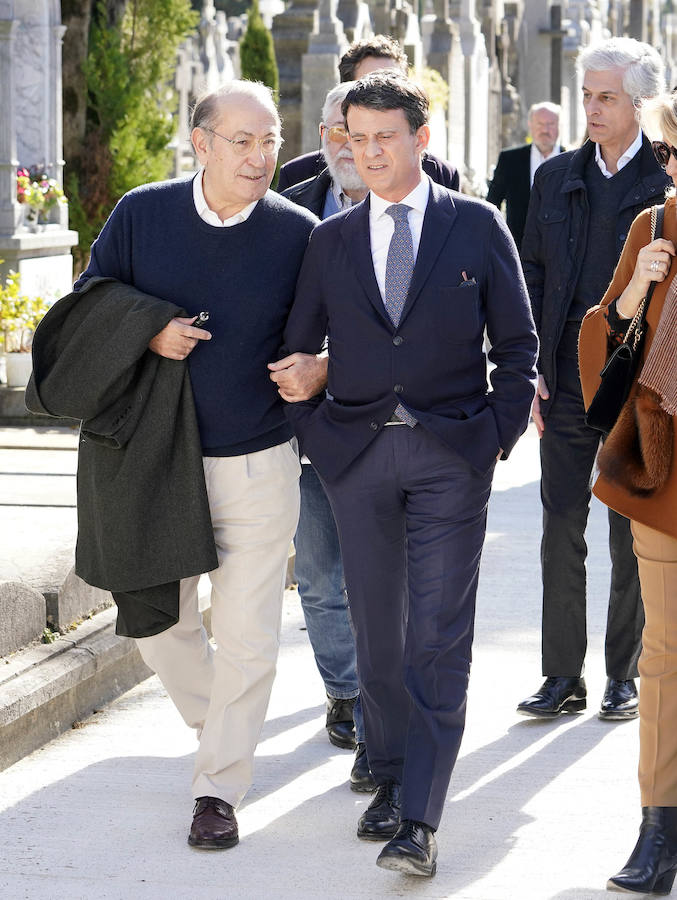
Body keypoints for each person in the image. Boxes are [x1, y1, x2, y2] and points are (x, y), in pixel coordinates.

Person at [33, 81, 320, 851]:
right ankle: (223, 729)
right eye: (242, 141)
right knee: (157, 622)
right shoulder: (141, 213)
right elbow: (88, 303)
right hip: (154, 462)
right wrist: (149, 328)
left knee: (250, 635)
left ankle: (216, 788)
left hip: (258, 462)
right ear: (200, 143)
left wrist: (317, 367)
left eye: (270, 143)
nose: (260, 158)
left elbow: (330, 330)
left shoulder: (298, 231)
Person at [281, 70, 538, 877]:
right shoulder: (329, 241)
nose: (366, 153)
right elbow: (293, 356)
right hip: (355, 459)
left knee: (435, 636)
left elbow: (519, 346)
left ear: (420, 140)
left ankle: (419, 819)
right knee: (377, 635)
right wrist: (317, 435)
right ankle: (388, 775)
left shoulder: (476, 226)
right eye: (353, 138)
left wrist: (489, 439)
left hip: (447, 459)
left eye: (381, 138)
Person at [518, 37, 670, 721]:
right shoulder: (554, 178)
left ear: (637, 103)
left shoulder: (662, 188)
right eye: (585, 95)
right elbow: (532, 278)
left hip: (635, 388)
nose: (591, 109)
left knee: (625, 531)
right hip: (565, 382)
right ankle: (560, 677)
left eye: (604, 97)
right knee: (559, 528)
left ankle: (622, 674)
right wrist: (527, 369)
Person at [578, 93, 677, 896]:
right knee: (666, 658)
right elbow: (601, 344)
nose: (671, 170)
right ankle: (658, 828)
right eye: (669, 155)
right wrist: (635, 293)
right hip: (666, 475)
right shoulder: (653, 229)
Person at [278, 81, 375, 792]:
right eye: (337, 128)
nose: (349, 142)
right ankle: (344, 691)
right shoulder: (286, 205)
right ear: (321, 134)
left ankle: (383, 700)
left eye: (361, 127)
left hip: (386, 428)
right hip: (306, 429)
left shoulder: (410, 203)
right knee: (316, 573)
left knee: (383, 578)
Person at [276, 35, 459, 192]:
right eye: (369, 85)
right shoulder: (297, 175)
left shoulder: (439, 174)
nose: (383, 92)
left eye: (393, 82)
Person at [486, 101, 562, 251]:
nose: (545, 130)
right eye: (540, 124)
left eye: (551, 124)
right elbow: (492, 203)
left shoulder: (575, 161)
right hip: (519, 250)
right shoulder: (510, 159)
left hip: (563, 251)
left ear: (560, 126)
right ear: (530, 125)